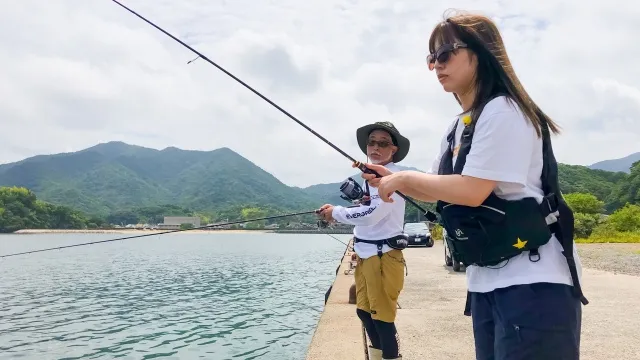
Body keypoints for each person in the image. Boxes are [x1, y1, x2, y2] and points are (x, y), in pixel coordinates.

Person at [360, 11, 587, 360]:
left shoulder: (504, 110)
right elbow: (436, 187)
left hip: (535, 282)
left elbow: (472, 190)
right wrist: (390, 179)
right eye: (431, 57)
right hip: (487, 281)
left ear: (480, 52)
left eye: (445, 53)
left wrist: (401, 178)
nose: (437, 64)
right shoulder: (459, 126)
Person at [318, 121, 409, 360]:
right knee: (365, 312)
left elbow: (372, 216)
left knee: (382, 318)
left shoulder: (394, 177)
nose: (375, 147)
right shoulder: (370, 179)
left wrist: (336, 212)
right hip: (365, 255)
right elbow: (366, 210)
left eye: (383, 143)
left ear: (394, 150)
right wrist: (336, 210)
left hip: (383, 256)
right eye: (371, 142)